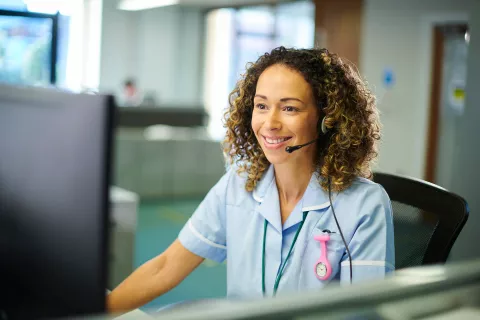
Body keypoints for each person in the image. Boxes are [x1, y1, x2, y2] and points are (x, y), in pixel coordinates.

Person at [107, 47, 395, 313]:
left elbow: (362, 313)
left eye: (289, 108)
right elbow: (167, 265)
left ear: (326, 120)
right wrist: (96, 312)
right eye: (261, 106)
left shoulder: (363, 204)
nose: (270, 123)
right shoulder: (240, 183)